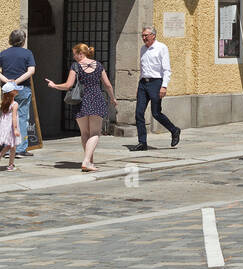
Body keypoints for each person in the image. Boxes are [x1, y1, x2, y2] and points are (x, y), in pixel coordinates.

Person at [45, 43, 117, 171]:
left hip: (81, 101)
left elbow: (68, 85)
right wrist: (112, 98)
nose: (73, 57)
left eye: (74, 54)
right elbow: (108, 85)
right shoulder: (99, 65)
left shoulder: (76, 66)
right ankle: (86, 161)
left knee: (85, 133)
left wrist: (54, 85)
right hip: (96, 99)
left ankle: (89, 161)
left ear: (80, 53)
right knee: (95, 133)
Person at [131, 26, 181, 151]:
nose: (143, 38)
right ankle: (142, 142)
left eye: (146, 36)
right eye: (142, 36)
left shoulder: (161, 48)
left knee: (156, 113)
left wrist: (164, 86)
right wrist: (140, 84)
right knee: (138, 113)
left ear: (153, 35)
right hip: (143, 83)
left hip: (156, 83)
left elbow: (166, 69)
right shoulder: (143, 49)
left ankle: (174, 130)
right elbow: (143, 68)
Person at [0, 30, 36, 158]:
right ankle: (20, 149)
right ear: (23, 40)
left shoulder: (3, 53)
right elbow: (31, 70)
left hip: (7, 89)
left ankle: (6, 147)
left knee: (7, 116)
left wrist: (7, 81)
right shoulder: (27, 53)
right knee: (21, 117)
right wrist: (17, 81)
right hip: (22, 88)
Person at [0, 83, 21, 171]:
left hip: (5, 126)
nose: (18, 90)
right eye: (15, 89)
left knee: (12, 146)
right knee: (11, 145)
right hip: (11, 127)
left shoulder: (4, 103)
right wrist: (15, 129)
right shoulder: (14, 104)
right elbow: (14, 118)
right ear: (12, 92)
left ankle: (11, 164)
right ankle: (9, 163)